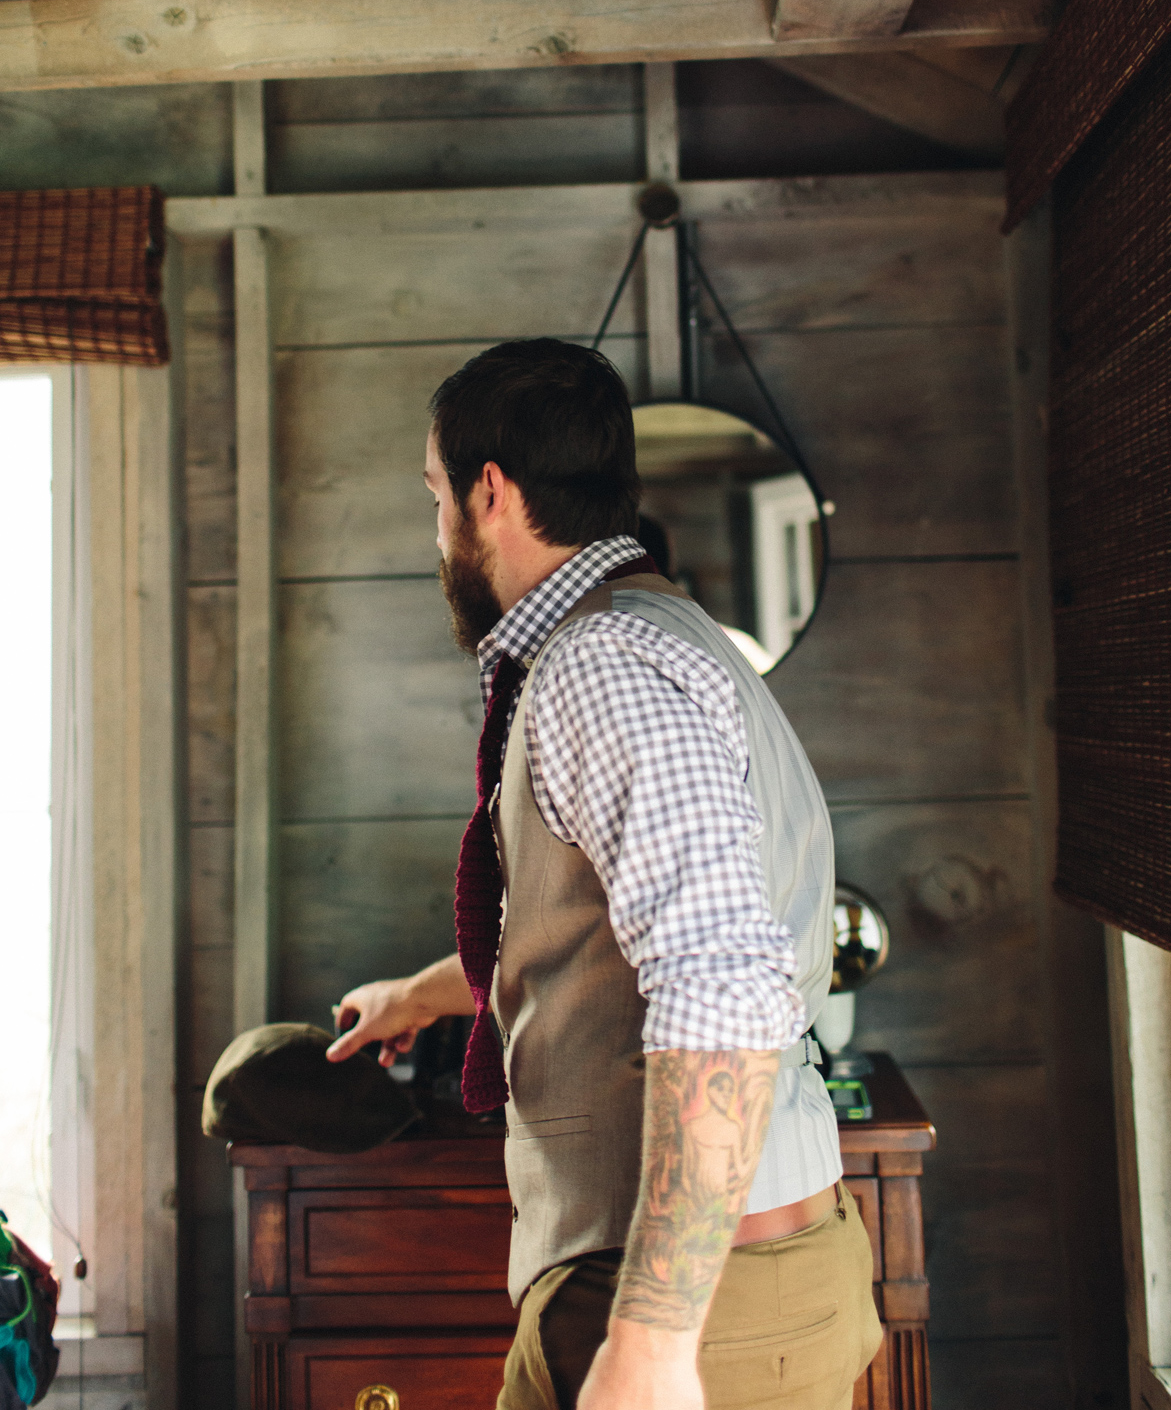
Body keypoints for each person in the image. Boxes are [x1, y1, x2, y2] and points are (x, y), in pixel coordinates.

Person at [327, 339, 880, 1410]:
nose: (434, 528)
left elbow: (718, 977)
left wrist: (657, 1343)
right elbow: (615, 932)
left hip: (691, 1304)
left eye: (435, 494)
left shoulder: (603, 666)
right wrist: (429, 993)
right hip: (741, 1280)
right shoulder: (666, 637)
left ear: (491, 493)